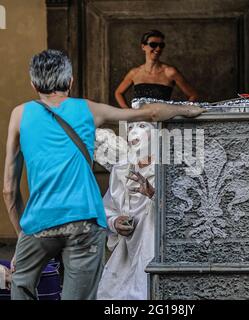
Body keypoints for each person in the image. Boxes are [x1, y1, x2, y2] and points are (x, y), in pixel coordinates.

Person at [2, 49, 206, 300]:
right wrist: (187, 110)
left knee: (20, 282)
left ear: (33, 84)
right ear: (70, 81)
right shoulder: (88, 109)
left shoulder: (20, 114)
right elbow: (150, 113)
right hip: (84, 221)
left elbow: (9, 190)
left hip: (40, 220)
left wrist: (23, 236)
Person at [96, 121, 156, 300]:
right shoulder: (121, 169)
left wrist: (154, 195)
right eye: (130, 127)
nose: (134, 131)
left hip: (153, 254)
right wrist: (115, 222)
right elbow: (107, 209)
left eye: (143, 126)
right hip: (125, 257)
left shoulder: (167, 170)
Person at [115, 29, 200, 108]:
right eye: (153, 44)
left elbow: (193, 95)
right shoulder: (135, 73)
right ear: (143, 47)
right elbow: (118, 93)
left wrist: (181, 112)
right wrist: (126, 110)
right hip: (137, 122)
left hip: (162, 122)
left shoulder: (170, 72)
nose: (158, 48)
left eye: (161, 45)